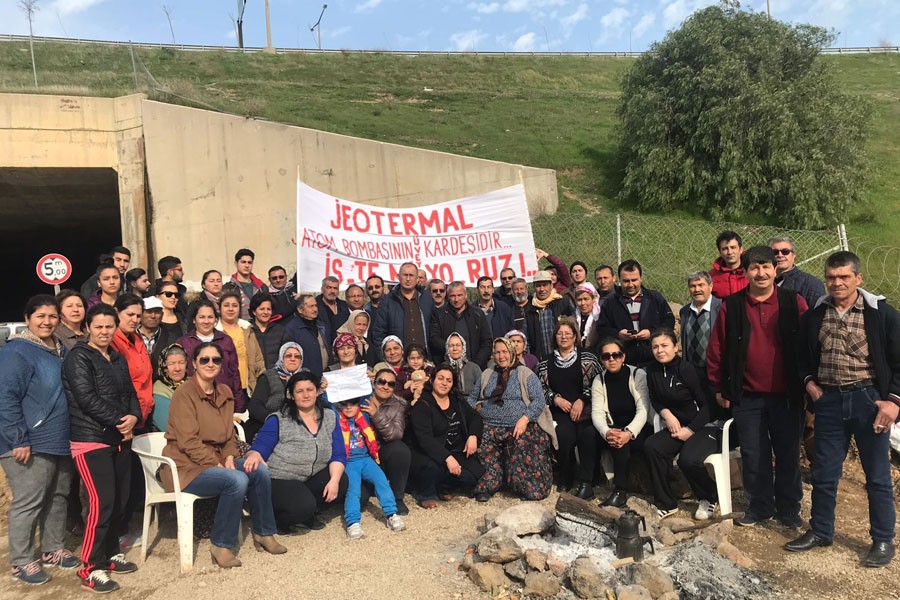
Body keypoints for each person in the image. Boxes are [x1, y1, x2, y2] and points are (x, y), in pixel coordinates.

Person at [785, 251, 899, 568]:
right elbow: (801, 358)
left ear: (858, 278)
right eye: (832, 277)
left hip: (869, 401)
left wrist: (893, 401)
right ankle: (821, 530)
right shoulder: (816, 316)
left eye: (844, 277)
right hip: (830, 402)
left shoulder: (882, 314)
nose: (837, 283)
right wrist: (809, 382)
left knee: (876, 476)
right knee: (824, 472)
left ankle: (882, 539)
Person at [706, 246, 808, 528]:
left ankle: (789, 508)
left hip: (787, 396)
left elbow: (808, 346)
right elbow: (717, 348)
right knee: (754, 453)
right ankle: (760, 506)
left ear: (776, 270)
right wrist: (718, 385)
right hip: (747, 396)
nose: (760, 273)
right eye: (754, 267)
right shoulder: (733, 305)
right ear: (746, 271)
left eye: (766, 267)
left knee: (788, 453)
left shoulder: (793, 302)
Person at [161, 342, 285, 568]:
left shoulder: (225, 392)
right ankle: (221, 544)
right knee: (236, 479)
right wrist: (217, 463)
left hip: (216, 459)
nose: (211, 364)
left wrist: (229, 457)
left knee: (258, 470)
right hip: (185, 467)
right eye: (204, 360)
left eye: (216, 360)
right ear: (194, 364)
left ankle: (264, 532)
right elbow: (188, 442)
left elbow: (229, 436)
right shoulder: (184, 394)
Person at [0, 295, 79, 585]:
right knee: (29, 501)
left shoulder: (60, 350)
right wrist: (18, 437)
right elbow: (5, 397)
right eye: (40, 316)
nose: (47, 321)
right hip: (28, 441)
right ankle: (21, 561)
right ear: (28, 318)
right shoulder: (16, 352)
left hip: (59, 438)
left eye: (52, 317)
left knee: (58, 497)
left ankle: (52, 548)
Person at [62, 304, 142, 593]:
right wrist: (122, 421)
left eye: (110, 326)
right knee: (101, 502)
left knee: (120, 500)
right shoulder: (79, 357)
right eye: (99, 326)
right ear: (88, 327)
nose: (105, 331)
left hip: (119, 438)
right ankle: (90, 566)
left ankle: (109, 555)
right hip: (91, 439)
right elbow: (86, 398)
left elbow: (131, 393)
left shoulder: (117, 359)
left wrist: (134, 416)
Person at [244, 371, 348, 534]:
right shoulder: (279, 419)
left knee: (340, 480)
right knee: (302, 506)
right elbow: (259, 448)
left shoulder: (329, 417)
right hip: (281, 479)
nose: (306, 395)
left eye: (310, 389)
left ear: (317, 391)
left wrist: (334, 480)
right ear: (291, 395)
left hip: (310, 477)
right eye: (300, 391)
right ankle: (281, 519)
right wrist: (256, 454)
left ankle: (309, 513)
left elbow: (339, 454)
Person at [468, 337, 554, 502]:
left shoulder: (524, 373)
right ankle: (488, 485)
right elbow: (471, 399)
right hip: (489, 424)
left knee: (525, 443)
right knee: (483, 444)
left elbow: (539, 399)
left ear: (512, 353)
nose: (501, 356)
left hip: (519, 424)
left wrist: (525, 419)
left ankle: (527, 487)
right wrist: (474, 410)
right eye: (497, 352)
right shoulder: (487, 374)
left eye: (504, 352)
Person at [643, 329, 710, 519]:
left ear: (675, 347)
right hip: (676, 426)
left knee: (687, 460)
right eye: (655, 346)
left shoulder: (687, 370)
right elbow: (655, 399)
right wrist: (667, 414)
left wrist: (690, 430)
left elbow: (707, 407)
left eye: (664, 345)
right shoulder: (652, 371)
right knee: (652, 446)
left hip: (702, 426)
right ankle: (666, 502)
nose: (659, 350)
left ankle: (708, 498)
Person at [537, 319, 602, 499]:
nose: (563, 336)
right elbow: (540, 388)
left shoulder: (588, 357)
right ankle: (566, 478)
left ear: (575, 336)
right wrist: (555, 399)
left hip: (586, 410)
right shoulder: (545, 362)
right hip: (559, 412)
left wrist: (582, 399)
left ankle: (587, 481)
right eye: (559, 333)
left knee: (587, 435)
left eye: (568, 333)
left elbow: (599, 382)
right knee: (564, 436)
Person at [330, 394, 407, 540]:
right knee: (353, 490)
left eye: (352, 403)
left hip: (366, 458)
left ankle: (392, 514)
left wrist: (363, 378)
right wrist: (324, 388)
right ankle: (353, 523)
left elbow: (366, 393)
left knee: (382, 481)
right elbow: (325, 403)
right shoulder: (334, 417)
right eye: (344, 403)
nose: (348, 407)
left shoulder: (363, 414)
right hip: (348, 462)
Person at [409, 366, 484, 508]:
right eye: (440, 378)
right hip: (429, 454)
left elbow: (475, 417)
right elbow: (425, 440)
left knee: (471, 477)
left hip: (456, 451)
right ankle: (425, 493)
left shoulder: (456, 400)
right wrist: (447, 458)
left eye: (449, 380)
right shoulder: (422, 405)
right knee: (432, 468)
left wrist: (473, 436)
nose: (444, 383)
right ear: (432, 380)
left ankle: (442, 485)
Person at [590, 338, 652, 508]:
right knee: (586, 434)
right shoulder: (599, 380)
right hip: (612, 427)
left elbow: (643, 409)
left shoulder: (637, 375)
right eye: (606, 356)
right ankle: (586, 483)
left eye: (616, 355)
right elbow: (596, 412)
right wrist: (606, 432)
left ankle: (620, 491)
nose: (612, 359)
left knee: (621, 444)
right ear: (601, 359)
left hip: (637, 428)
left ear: (623, 357)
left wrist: (629, 432)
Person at [594, 259, 675, 367]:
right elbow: (602, 328)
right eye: (626, 281)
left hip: (653, 359)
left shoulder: (654, 298)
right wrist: (618, 335)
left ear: (641, 278)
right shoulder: (610, 302)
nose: (630, 284)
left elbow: (669, 321)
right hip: (624, 361)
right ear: (619, 280)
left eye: (634, 280)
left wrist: (651, 333)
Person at [177, 300, 246, 412]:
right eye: (202, 317)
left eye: (210, 317)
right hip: (194, 401)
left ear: (215, 320)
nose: (206, 321)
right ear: (194, 320)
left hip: (223, 399)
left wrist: (239, 407)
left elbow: (234, 374)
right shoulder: (184, 342)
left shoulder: (226, 340)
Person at [360, 368, 412, 514]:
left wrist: (376, 415)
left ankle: (397, 497)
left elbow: (396, 434)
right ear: (374, 382)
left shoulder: (398, 405)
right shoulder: (361, 399)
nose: (385, 386)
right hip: (362, 454)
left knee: (400, 450)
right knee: (361, 499)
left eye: (391, 384)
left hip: (382, 452)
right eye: (381, 382)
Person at [372, 262, 434, 359]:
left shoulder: (428, 298)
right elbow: (378, 333)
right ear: (398, 277)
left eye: (411, 275)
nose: (408, 279)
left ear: (417, 278)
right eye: (405, 275)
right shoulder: (387, 301)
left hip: (425, 359)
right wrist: (384, 360)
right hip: (398, 361)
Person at [246, 343, 306, 442]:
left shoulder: (306, 376)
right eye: (288, 356)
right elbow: (255, 406)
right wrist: (275, 421)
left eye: (297, 356)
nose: (292, 359)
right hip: (269, 425)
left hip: (300, 426)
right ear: (281, 358)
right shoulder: (268, 377)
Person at [110, 294, 154, 429]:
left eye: (138, 316)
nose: (135, 320)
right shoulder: (111, 341)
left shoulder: (138, 339)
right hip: (125, 418)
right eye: (130, 314)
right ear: (117, 312)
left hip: (143, 414)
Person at [430, 281, 492, 367]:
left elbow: (486, 342)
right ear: (448, 297)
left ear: (466, 295)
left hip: (475, 366)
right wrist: (451, 348)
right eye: (453, 296)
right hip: (448, 368)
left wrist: (476, 365)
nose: (456, 299)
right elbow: (434, 339)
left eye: (459, 295)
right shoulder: (439, 314)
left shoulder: (477, 314)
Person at [217, 291, 265, 396]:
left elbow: (259, 361)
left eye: (234, 305)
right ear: (219, 308)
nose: (230, 309)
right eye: (226, 305)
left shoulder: (247, 329)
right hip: (222, 390)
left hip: (247, 388)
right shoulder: (215, 332)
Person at [524, 270, 575, 361]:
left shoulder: (563, 303)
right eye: (538, 286)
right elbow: (526, 339)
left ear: (551, 285)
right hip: (541, 359)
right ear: (534, 287)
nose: (542, 289)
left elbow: (575, 328)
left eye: (545, 285)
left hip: (565, 356)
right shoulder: (529, 310)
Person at [679, 272, 722, 376]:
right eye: (693, 286)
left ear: (710, 286)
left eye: (701, 285)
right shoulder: (685, 311)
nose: (697, 290)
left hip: (715, 371)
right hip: (691, 372)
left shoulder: (722, 308)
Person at [769, 236, 826, 313]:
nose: (780, 255)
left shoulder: (811, 284)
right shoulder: (763, 282)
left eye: (785, 252)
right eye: (775, 252)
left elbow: (816, 316)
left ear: (793, 255)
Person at [283, 294, 332, 377]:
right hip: (305, 378)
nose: (315, 309)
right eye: (311, 306)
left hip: (326, 376)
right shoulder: (291, 329)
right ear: (300, 310)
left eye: (316, 305)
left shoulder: (322, 327)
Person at [138, 296, 180, 378]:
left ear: (162, 315)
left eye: (157, 312)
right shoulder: (131, 337)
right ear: (141, 314)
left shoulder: (171, 338)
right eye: (149, 312)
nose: (153, 316)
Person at [151, 344, 188, 432]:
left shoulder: (194, 384)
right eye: (171, 364)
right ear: (163, 366)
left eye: (181, 362)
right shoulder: (158, 392)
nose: (177, 368)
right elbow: (169, 427)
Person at [249, 292, 286, 370]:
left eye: (268, 309)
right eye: (262, 309)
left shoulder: (280, 330)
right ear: (254, 312)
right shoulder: (247, 330)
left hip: (275, 376)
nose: (266, 312)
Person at [444, 333, 482, 405]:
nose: (455, 348)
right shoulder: (442, 368)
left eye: (458, 345)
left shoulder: (473, 367)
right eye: (451, 346)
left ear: (463, 347)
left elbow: (482, 389)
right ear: (447, 348)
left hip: (471, 405)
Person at [709, 230, 748, 299]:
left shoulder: (752, 271)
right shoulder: (711, 277)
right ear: (720, 252)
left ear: (741, 249)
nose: (729, 252)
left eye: (733, 247)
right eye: (725, 249)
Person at [230, 248, 266, 319]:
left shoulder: (262, 287)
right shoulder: (229, 287)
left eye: (249, 262)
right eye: (243, 262)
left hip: (259, 327)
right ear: (236, 264)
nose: (247, 265)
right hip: (238, 327)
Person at [154, 255, 188, 319]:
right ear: (170, 272)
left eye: (176, 295)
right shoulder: (154, 290)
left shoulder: (182, 289)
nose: (183, 273)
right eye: (179, 270)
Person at [574, 283, 602, 351]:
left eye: (586, 299)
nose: (583, 303)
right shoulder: (572, 320)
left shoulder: (600, 318)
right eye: (579, 300)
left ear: (593, 299)